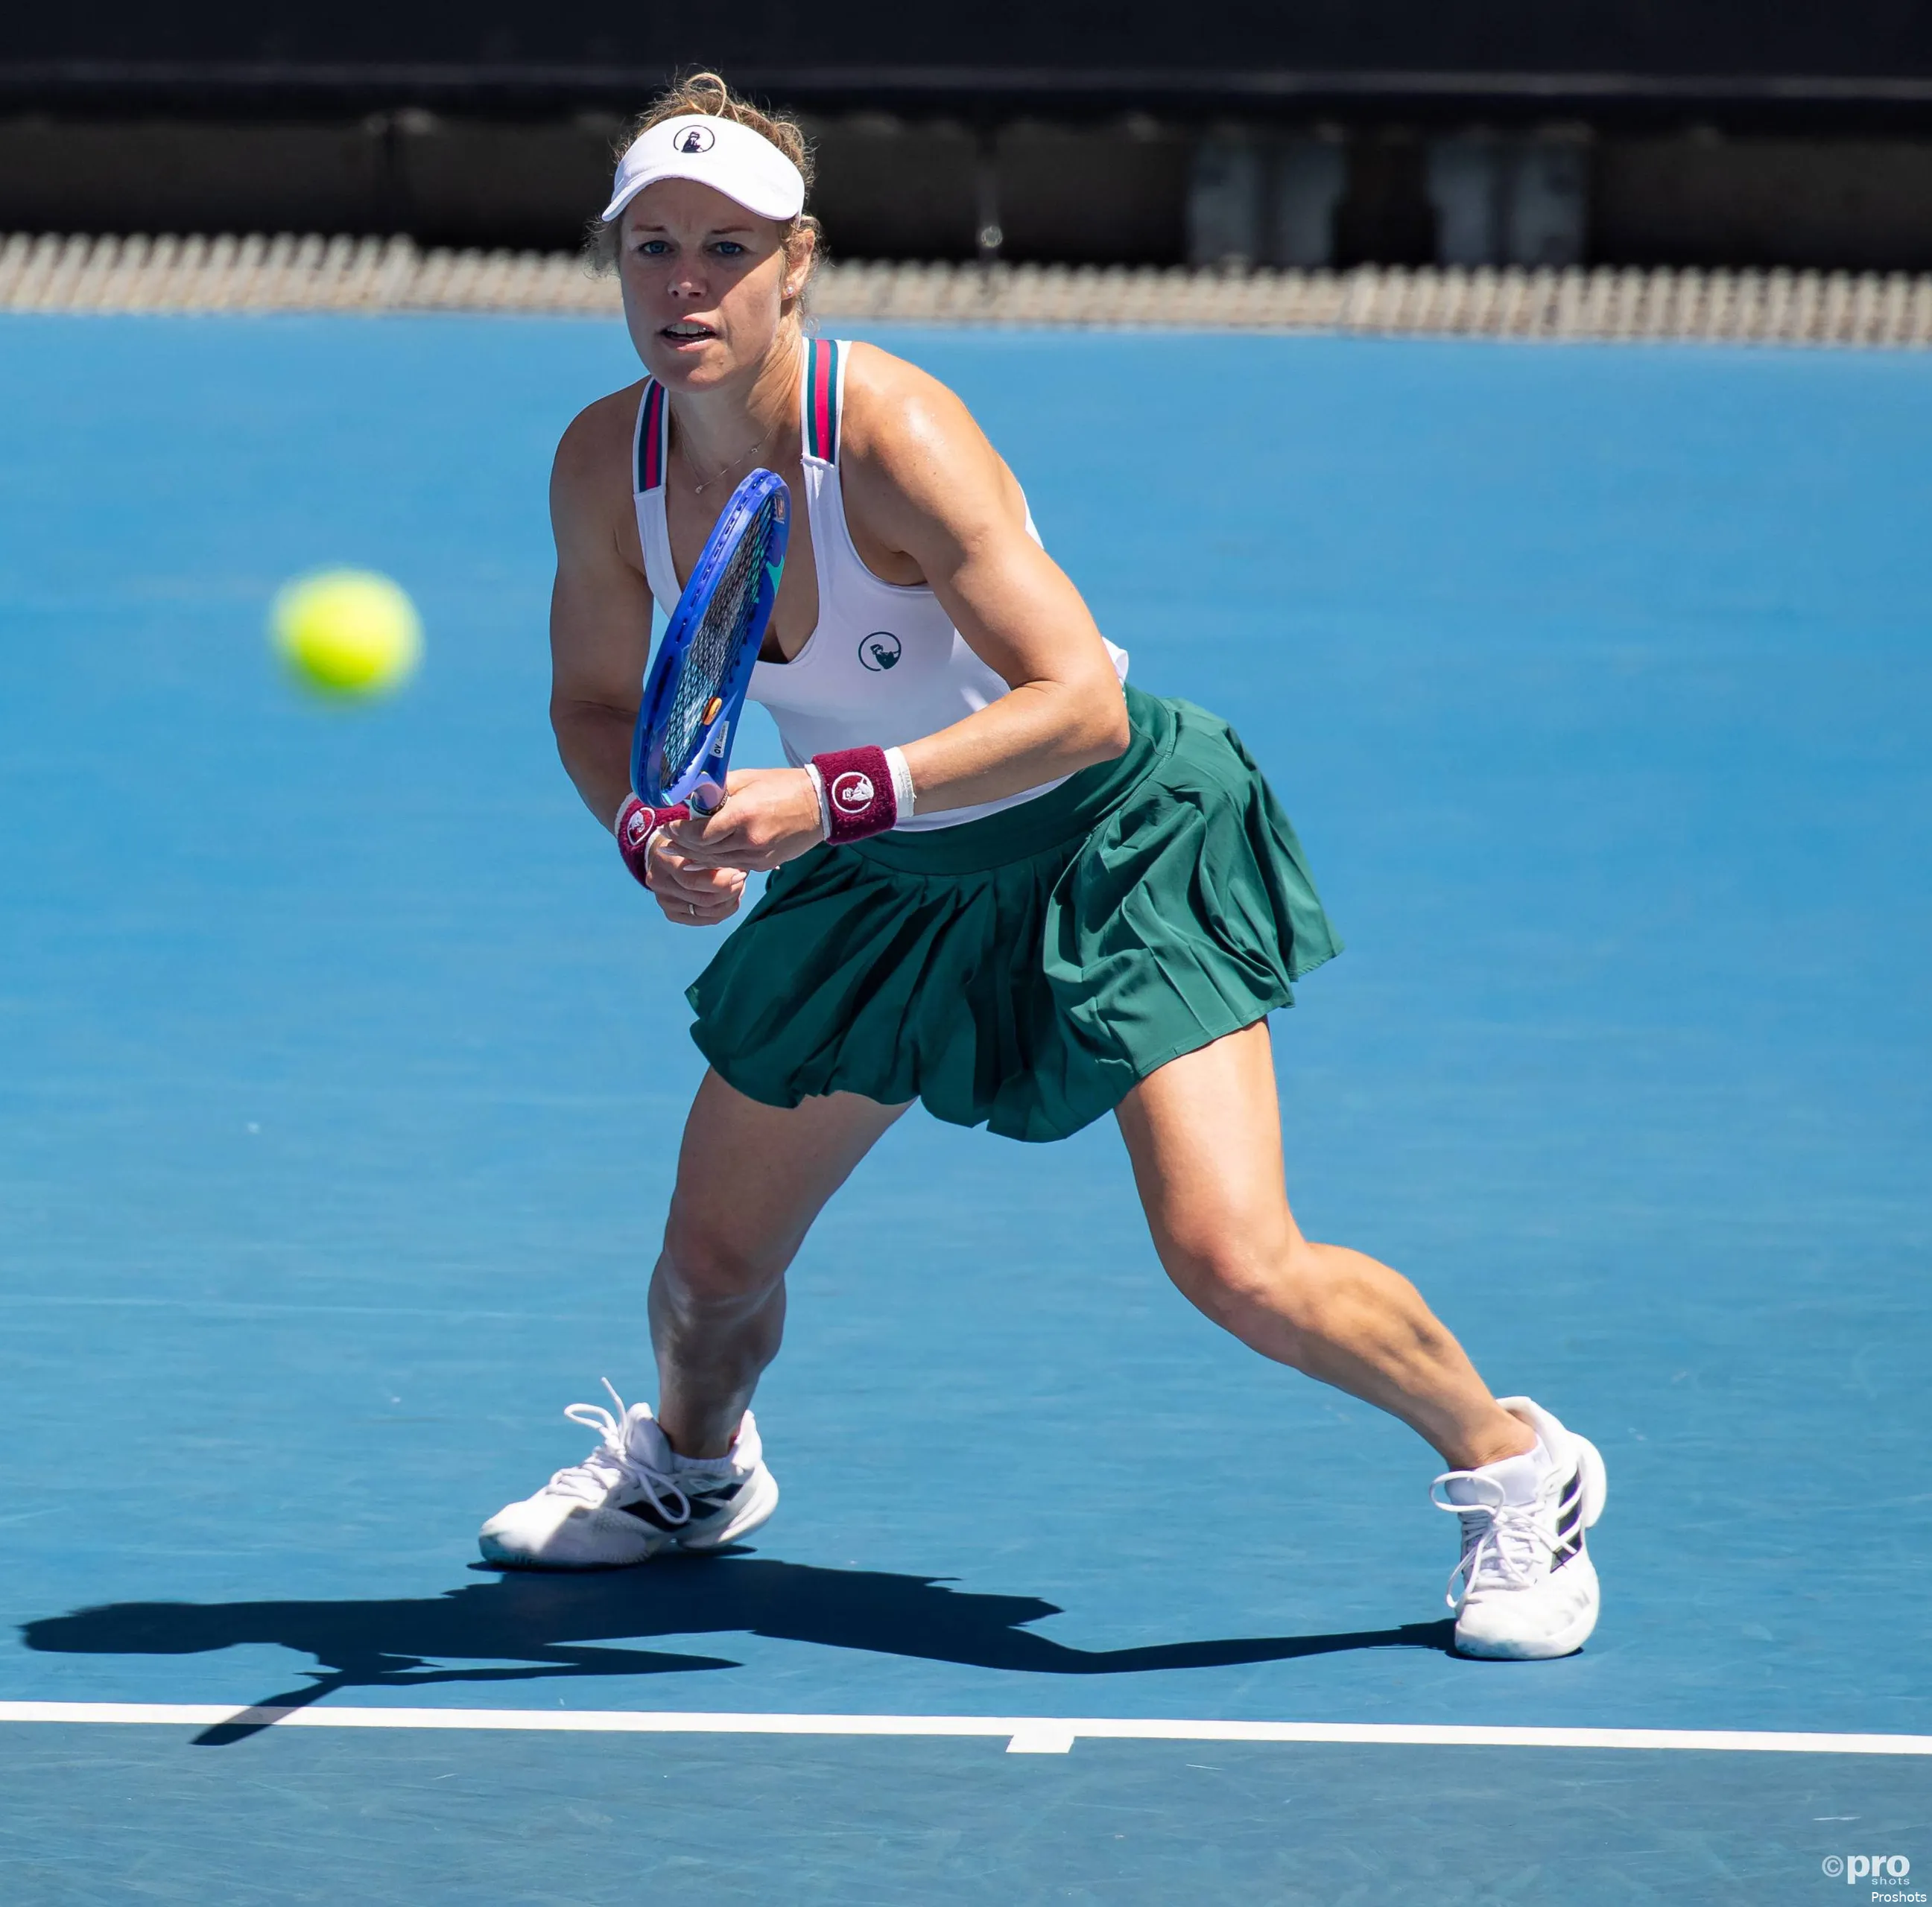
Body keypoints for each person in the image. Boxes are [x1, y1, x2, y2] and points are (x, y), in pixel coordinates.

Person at [481, 74, 1606, 1660]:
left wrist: (819, 798)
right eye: (649, 246)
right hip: (886, 863)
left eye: (723, 248)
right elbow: (597, 703)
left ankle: (1517, 1463)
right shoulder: (605, 463)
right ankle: (692, 1470)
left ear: (796, 259)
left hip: (1108, 838)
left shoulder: (892, 431)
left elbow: (1075, 701)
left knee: (1234, 1258)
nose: (682, 285)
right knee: (708, 1270)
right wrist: (648, 831)